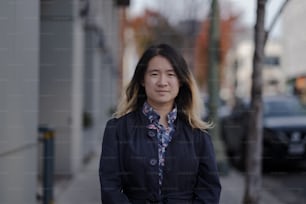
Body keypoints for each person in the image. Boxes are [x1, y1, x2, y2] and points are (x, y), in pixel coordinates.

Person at [99, 43, 221, 204]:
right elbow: (110, 187)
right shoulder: (117, 129)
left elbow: (209, 191)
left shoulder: (198, 134)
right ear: (142, 79)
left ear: (181, 81)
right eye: (154, 74)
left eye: (171, 74)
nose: (162, 82)